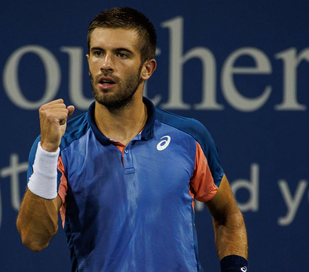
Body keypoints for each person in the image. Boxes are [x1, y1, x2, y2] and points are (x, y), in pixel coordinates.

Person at [17, 7, 248, 272]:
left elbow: (228, 215)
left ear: (147, 69)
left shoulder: (190, 137)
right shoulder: (59, 146)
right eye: (98, 53)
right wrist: (47, 151)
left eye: (122, 54)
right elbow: (34, 238)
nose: (106, 64)